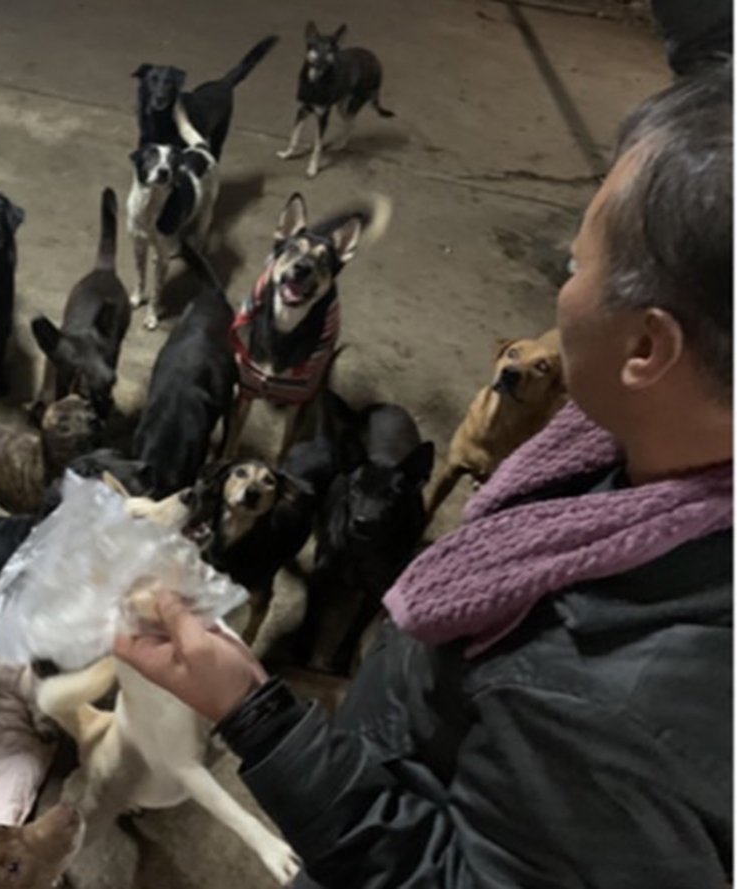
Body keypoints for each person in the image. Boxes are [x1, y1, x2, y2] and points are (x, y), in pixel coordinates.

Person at [115, 66, 733, 889]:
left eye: (575, 265)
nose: (559, 294)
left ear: (647, 349)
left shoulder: (616, 706)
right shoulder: (635, 457)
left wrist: (257, 714)